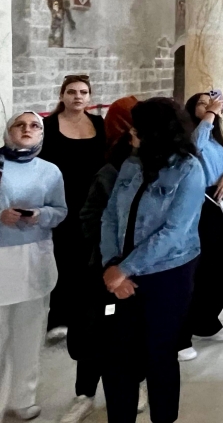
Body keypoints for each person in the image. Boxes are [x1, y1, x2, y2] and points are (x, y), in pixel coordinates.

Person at [99, 98, 206, 423]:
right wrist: (112, 265)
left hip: (167, 274)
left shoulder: (188, 169)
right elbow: (110, 216)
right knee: (117, 356)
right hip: (119, 270)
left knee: (158, 353)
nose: (131, 132)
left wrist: (125, 269)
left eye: (138, 127)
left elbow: (175, 230)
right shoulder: (132, 164)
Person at [61, 97, 143, 423]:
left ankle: (135, 383)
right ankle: (85, 393)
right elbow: (91, 217)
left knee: (133, 330)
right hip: (105, 266)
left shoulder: (162, 168)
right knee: (95, 328)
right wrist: (111, 261)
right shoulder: (111, 170)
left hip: (140, 266)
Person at [0, 111, 67, 421]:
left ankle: (22, 399)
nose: (27, 129)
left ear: (42, 134)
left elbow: (60, 210)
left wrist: (40, 215)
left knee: (29, 335)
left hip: (34, 260)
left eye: (35, 126)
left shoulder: (50, 171)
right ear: (8, 131)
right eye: (20, 125)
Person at [176, 92, 223, 361]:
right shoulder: (191, 135)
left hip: (222, 203)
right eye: (202, 103)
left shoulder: (215, 135)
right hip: (200, 204)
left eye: (210, 102)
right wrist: (211, 114)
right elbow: (194, 146)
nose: (208, 106)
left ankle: (207, 319)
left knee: (220, 264)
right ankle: (187, 325)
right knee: (200, 267)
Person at [40, 74, 106, 341]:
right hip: (61, 199)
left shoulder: (98, 124)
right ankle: (59, 316)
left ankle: (86, 315)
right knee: (63, 256)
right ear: (62, 95)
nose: (77, 97)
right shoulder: (48, 125)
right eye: (71, 92)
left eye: (83, 92)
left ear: (89, 97)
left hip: (94, 201)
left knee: (89, 257)